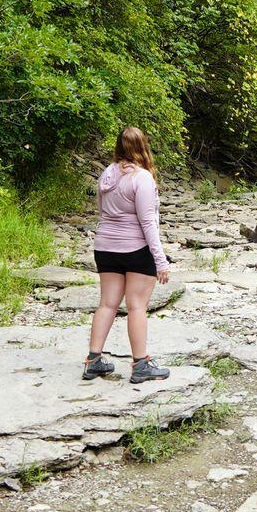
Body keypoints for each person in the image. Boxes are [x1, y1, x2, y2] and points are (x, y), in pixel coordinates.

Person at [83, 126, 171, 384]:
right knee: (137, 307)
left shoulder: (107, 174)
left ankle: (93, 361)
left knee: (107, 304)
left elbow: (102, 210)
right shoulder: (142, 178)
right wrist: (160, 260)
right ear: (143, 146)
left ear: (118, 147)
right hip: (135, 248)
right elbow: (148, 223)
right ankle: (141, 364)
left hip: (105, 247)